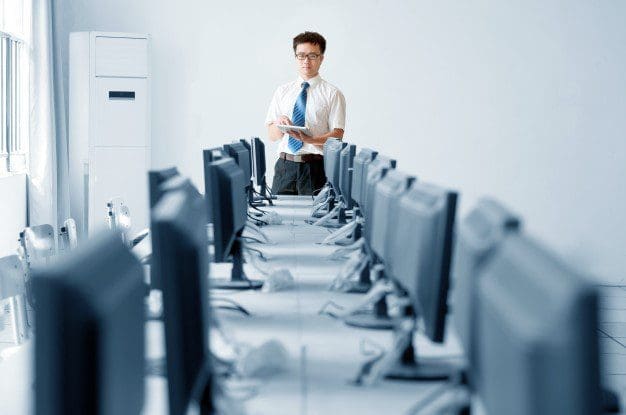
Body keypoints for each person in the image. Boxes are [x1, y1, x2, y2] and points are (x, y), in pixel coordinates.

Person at [265, 31, 346, 195]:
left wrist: (310, 139)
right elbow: (272, 135)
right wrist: (280, 124)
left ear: (321, 58)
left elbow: (337, 136)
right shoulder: (282, 91)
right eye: (301, 56)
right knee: (278, 218)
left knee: (312, 218)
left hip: (314, 168)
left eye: (312, 56)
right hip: (285, 166)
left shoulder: (332, 93)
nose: (306, 61)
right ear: (295, 57)